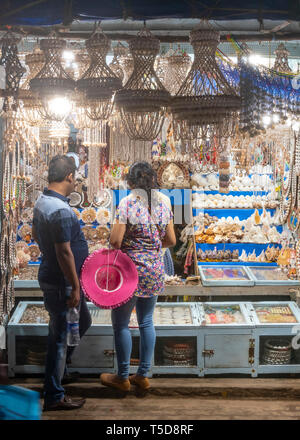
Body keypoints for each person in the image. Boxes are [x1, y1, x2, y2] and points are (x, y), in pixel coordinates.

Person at [100, 161, 176, 392]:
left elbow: (115, 241)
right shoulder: (164, 202)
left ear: (131, 183)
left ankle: (122, 377)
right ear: (153, 180)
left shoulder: (128, 203)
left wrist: (134, 248)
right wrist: (151, 249)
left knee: (121, 323)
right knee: (146, 321)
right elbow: (171, 240)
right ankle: (142, 375)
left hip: (130, 271)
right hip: (155, 269)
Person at [32, 155, 92, 411]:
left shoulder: (43, 202)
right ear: (69, 176)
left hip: (54, 276)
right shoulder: (60, 210)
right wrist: (76, 285)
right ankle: (54, 394)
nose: (77, 180)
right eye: (76, 176)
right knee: (59, 337)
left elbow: (36, 235)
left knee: (82, 321)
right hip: (62, 281)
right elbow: (64, 252)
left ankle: (60, 371)